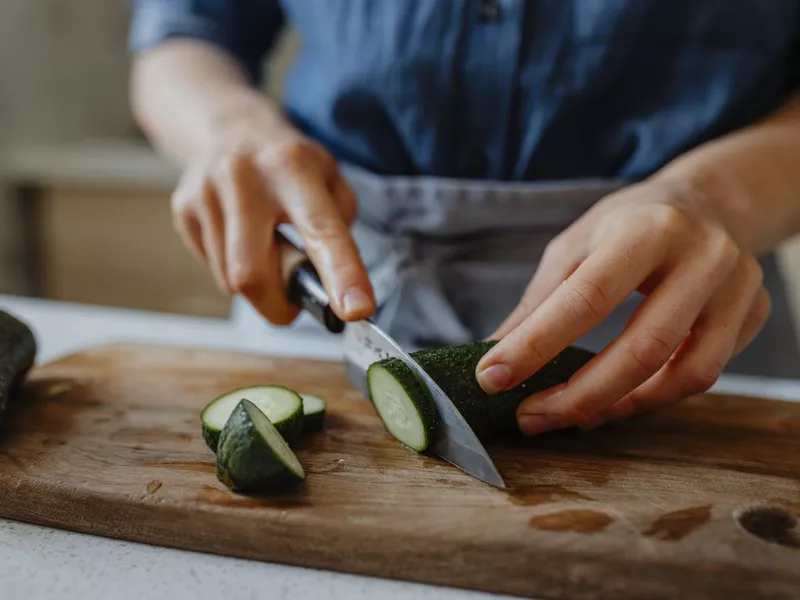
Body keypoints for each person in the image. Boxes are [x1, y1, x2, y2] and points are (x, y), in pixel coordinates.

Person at [128, 1, 800, 436]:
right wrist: (231, 130)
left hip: (668, 303)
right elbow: (185, 34)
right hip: (325, 270)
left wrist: (714, 195)